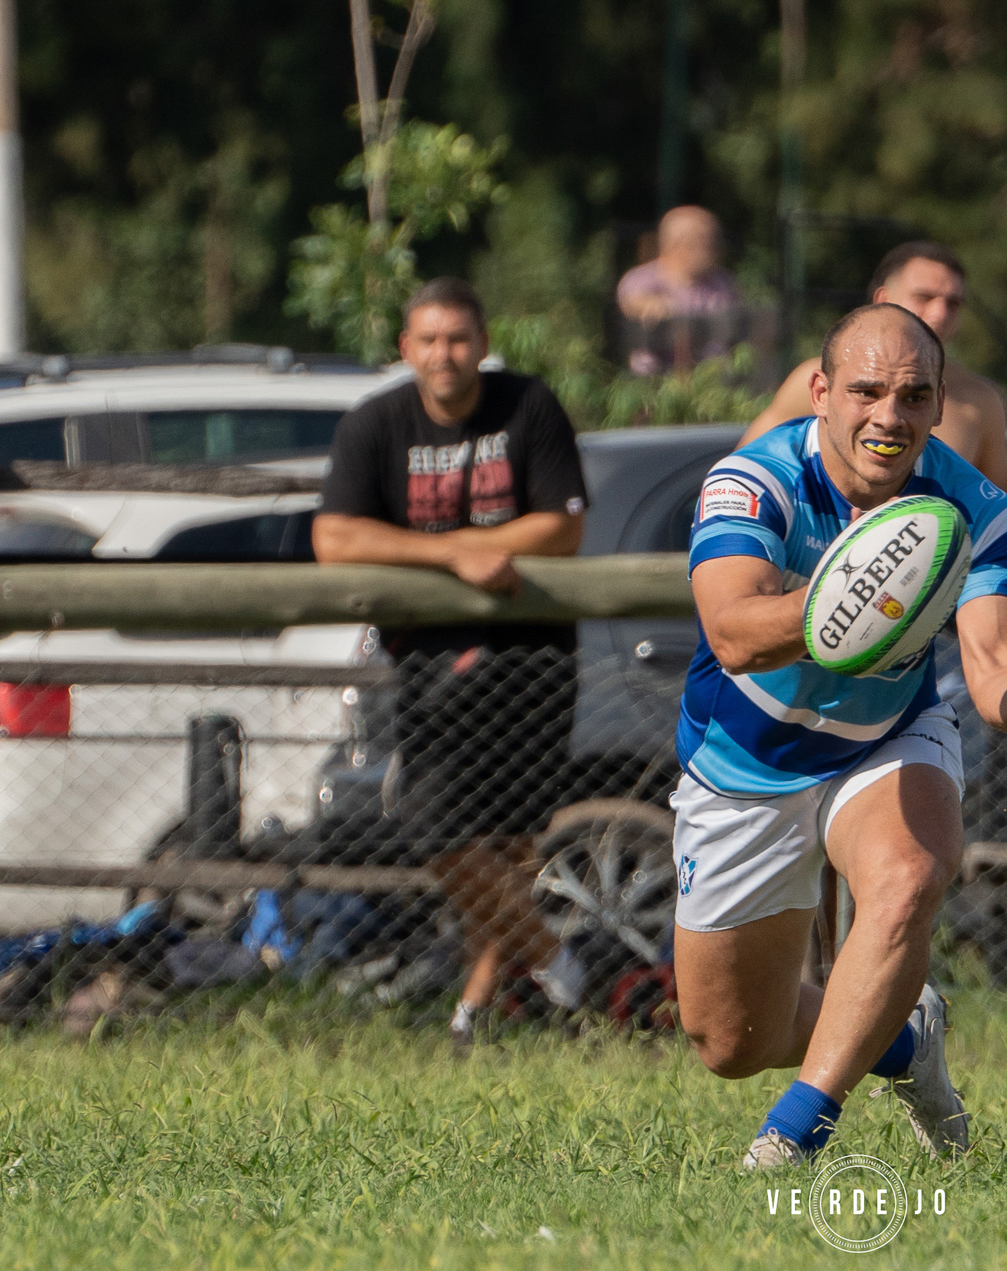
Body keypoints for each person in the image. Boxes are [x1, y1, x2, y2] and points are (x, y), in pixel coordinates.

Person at [676, 303, 1007, 1168]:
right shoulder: (752, 481)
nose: (889, 415)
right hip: (747, 755)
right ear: (820, 392)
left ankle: (793, 1136)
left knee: (910, 873)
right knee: (731, 1039)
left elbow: (995, 664)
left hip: (884, 734)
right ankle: (901, 1041)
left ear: (939, 403)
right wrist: (853, 593)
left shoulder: (980, 511)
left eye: (914, 395)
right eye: (866, 391)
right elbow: (733, 632)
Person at [313, 277, 590, 1040]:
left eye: (459, 338)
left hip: (531, 656)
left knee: (510, 844)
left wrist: (451, 547)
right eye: (430, 340)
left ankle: (476, 1011)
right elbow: (334, 539)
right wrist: (455, 556)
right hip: (429, 660)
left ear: (483, 343)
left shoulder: (528, 405)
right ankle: (557, 962)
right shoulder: (375, 423)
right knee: (436, 828)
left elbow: (562, 527)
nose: (445, 354)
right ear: (406, 348)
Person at [741, 241, 1007, 492]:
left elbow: (999, 510)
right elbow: (743, 476)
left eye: (953, 304)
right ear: (883, 299)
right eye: (924, 297)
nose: (940, 313)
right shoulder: (821, 382)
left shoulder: (981, 401)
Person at [616, 206, 745, 375]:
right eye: (708, 241)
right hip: (659, 381)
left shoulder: (722, 281)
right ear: (678, 245)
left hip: (715, 379)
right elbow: (631, 301)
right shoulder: (644, 279)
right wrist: (652, 306)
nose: (717, 248)